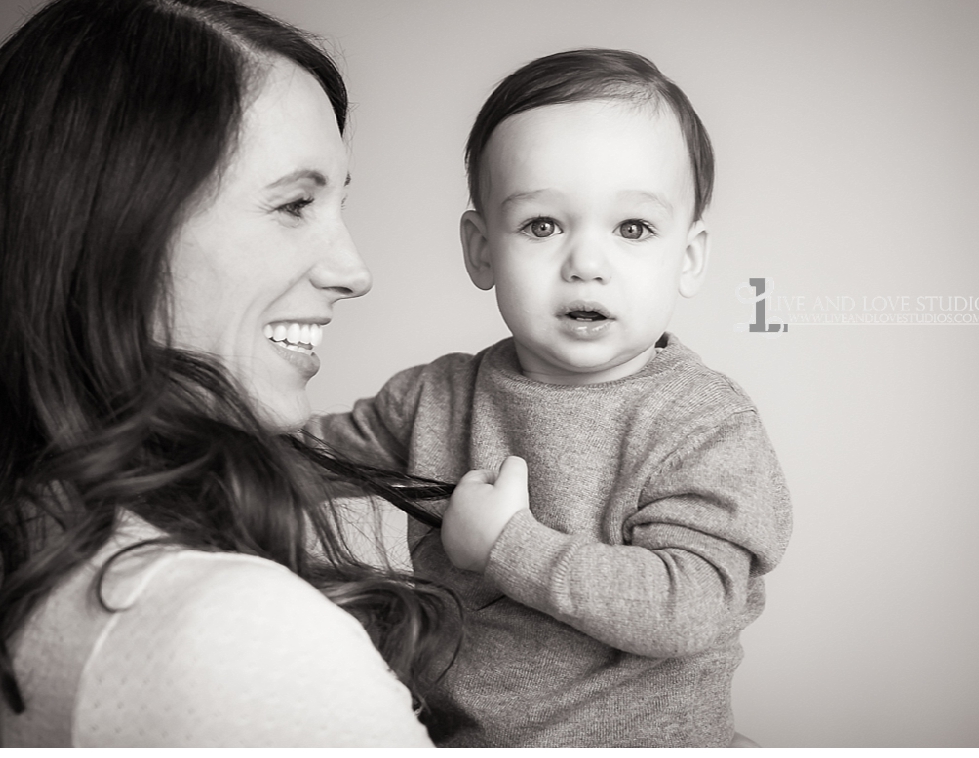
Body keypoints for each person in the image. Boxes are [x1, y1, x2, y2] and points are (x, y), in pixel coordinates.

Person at [0, 0, 460, 747]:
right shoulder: (240, 637)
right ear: (119, 233)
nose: (353, 269)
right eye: (292, 205)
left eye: (339, 202)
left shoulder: (17, 547)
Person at [313, 49, 793, 747]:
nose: (586, 264)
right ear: (482, 250)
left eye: (633, 228)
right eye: (543, 225)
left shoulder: (704, 423)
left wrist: (510, 545)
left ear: (687, 257)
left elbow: (690, 605)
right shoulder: (435, 397)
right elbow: (292, 459)